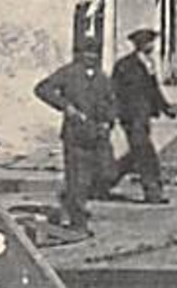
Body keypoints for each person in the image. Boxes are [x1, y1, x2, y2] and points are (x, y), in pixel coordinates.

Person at [33, 39, 117, 234]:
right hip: (75, 135)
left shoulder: (101, 77)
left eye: (94, 53)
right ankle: (78, 222)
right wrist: (66, 107)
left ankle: (69, 202)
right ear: (79, 54)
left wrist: (109, 121)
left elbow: (112, 101)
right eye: (87, 53)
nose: (91, 57)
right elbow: (42, 89)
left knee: (106, 173)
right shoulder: (69, 73)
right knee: (77, 178)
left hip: (98, 134)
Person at [108, 29, 175, 203]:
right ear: (141, 45)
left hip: (144, 115)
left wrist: (165, 108)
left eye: (152, 42)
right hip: (131, 116)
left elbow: (153, 90)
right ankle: (153, 192)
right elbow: (114, 91)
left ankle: (103, 183)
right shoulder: (124, 65)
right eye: (149, 43)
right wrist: (114, 114)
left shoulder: (149, 63)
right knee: (146, 154)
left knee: (137, 154)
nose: (152, 46)